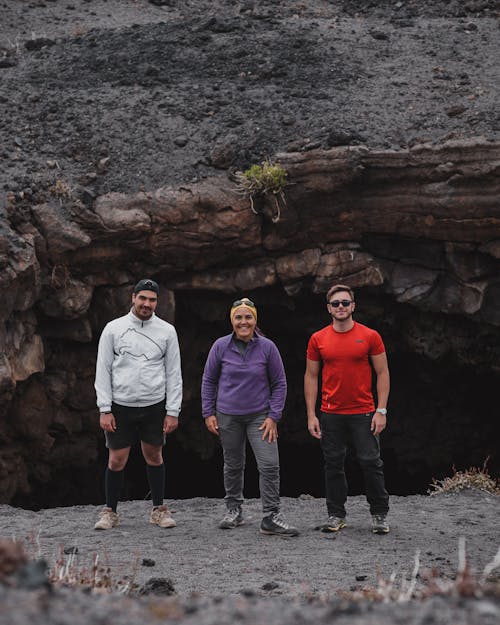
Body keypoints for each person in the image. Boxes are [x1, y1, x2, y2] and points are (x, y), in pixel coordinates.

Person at [201, 297, 299, 537]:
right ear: (232, 320)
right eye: (238, 317)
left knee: (269, 464)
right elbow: (209, 380)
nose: (243, 322)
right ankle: (234, 510)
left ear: (255, 320)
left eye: (248, 317)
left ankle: (271, 516)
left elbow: (280, 383)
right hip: (228, 416)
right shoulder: (220, 346)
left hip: (260, 417)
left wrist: (273, 416)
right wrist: (208, 413)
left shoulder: (267, 347)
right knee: (233, 464)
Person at [93, 278, 182, 530]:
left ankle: (159, 509)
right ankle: (110, 511)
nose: (146, 304)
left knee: (154, 455)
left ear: (157, 302)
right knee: (116, 460)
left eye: (152, 300)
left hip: (154, 405)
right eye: (142, 298)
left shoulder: (166, 331)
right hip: (121, 405)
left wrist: (172, 411)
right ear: (133, 298)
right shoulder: (113, 329)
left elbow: (174, 373)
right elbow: (103, 370)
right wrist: (105, 408)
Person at [304, 284, 390, 534]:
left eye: (345, 303)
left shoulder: (370, 336)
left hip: (363, 411)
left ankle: (379, 515)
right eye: (335, 304)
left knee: (371, 462)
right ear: (328, 308)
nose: (340, 307)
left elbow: (382, 372)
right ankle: (336, 515)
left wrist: (381, 410)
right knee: (333, 463)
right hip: (331, 413)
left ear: (353, 306)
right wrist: (311, 414)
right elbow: (311, 376)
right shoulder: (318, 339)